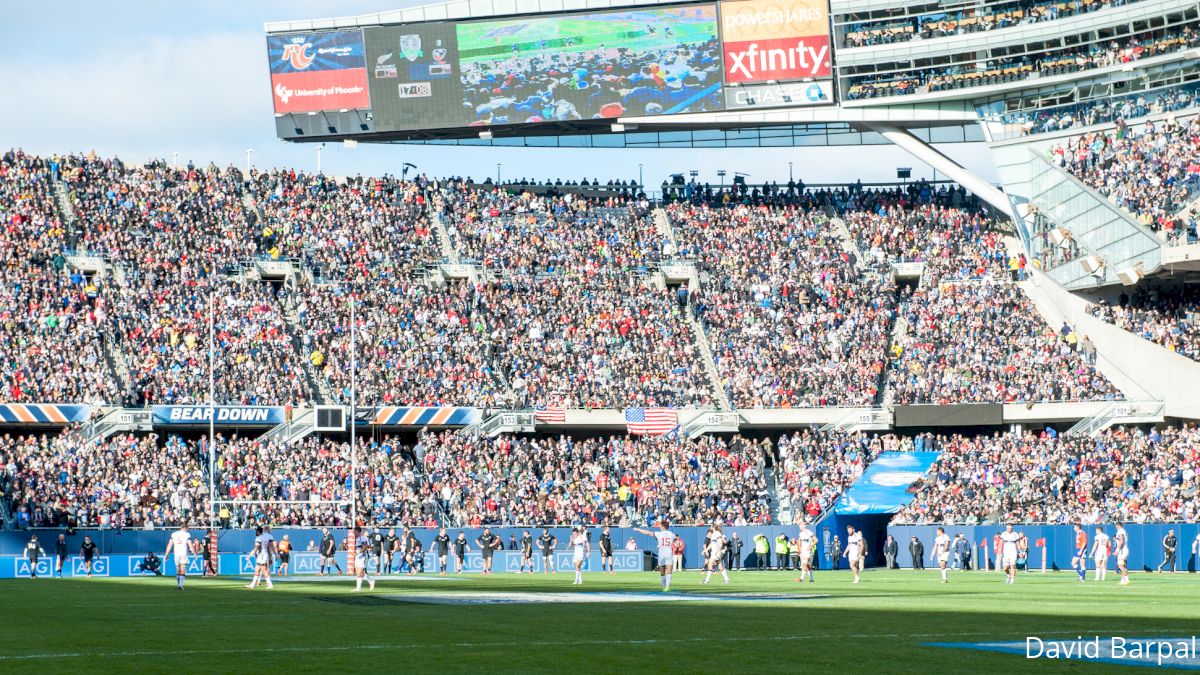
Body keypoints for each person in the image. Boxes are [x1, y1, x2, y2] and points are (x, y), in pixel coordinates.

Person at [636, 520, 677, 591]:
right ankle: (667, 587)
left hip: (661, 554)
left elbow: (648, 533)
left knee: (662, 572)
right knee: (669, 571)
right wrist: (676, 544)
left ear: (663, 526)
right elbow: (676, 540)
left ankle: (664, 587)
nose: (659, 527)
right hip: (669, 553)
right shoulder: (671, 534)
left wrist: (639, 529)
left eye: (660, 526)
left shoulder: (659, 534)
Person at [247, 525, 276, 590]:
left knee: (264, 570)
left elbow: (256, 547)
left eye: (256, 531)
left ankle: (270, 584)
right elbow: (270, 546)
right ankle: (252, 585)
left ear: (258, 531)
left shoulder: (258, 538)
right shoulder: (265, 537)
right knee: (257, 570)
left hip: (261, 556)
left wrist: (250, 555)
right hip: (264, 555)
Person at [165, 524, 191, 590]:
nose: (187, 530)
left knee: (178, 569)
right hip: (183, 553)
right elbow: (190, 544)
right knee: (183, 569)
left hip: (176, 553)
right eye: (187, 529)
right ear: (185, 528)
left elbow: (170, 544)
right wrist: (194, 553)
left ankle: (179, 584)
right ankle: (180, 585)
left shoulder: (173, 534)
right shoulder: (187, 534)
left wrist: (166, 554)